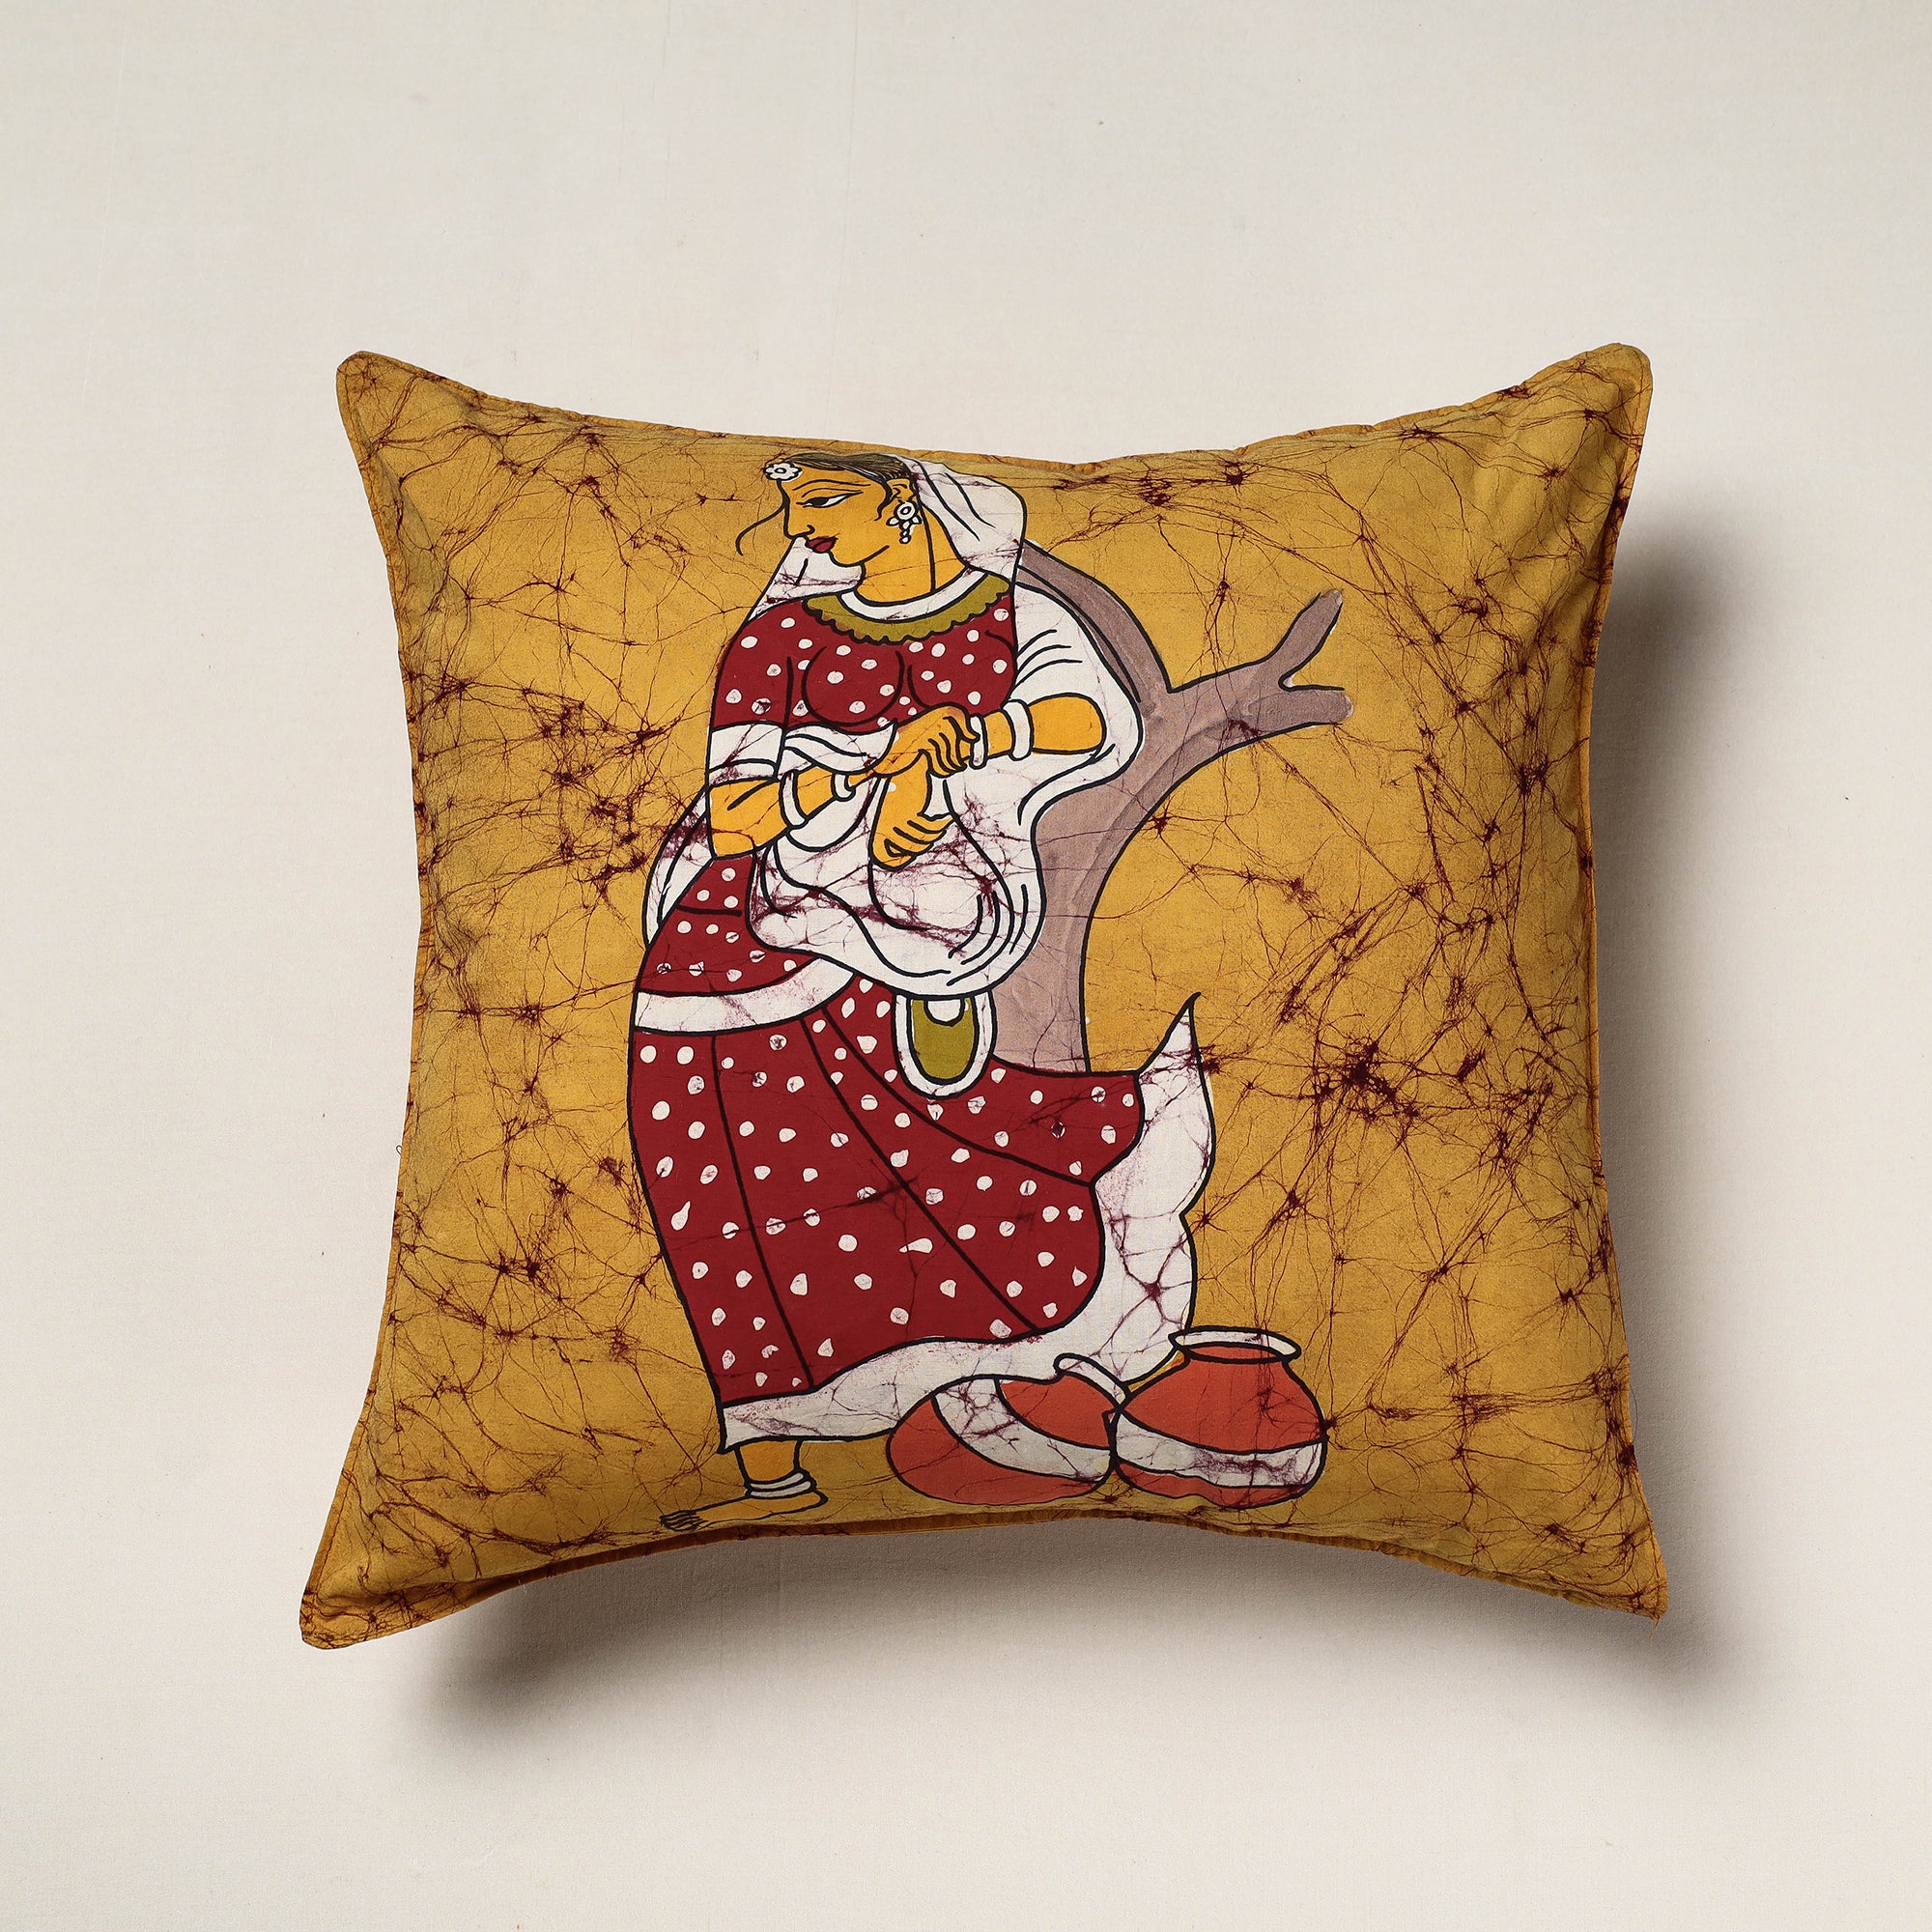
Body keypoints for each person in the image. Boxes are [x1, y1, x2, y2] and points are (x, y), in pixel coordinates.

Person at [630, 450, 1208, 1530]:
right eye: (792, 505)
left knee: (937, 1159)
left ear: (905, 502)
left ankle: (1024, 1368)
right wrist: (865, 771)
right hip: (742, 940)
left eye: (823, 501)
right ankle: (772, 1472)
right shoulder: (779, 637)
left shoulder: (1012, 615)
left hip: (935, 918)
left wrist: (961, 743)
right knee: (727, 1198)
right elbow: (736, 811)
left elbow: (1091, 720)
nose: (799, 527)